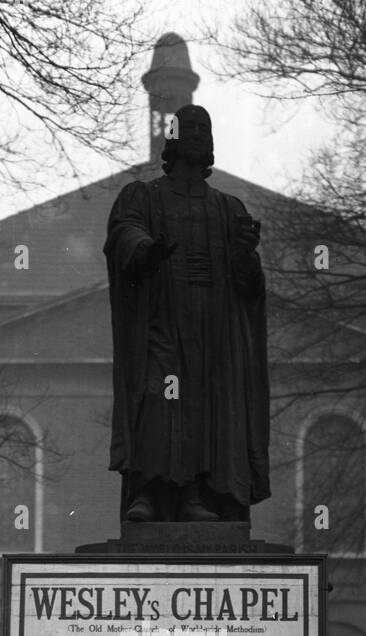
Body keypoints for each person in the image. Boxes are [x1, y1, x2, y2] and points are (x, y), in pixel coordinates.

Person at [104, 106, 271, 524]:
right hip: (162, 319)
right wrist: (146, 249)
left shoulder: (228, 208)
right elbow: (125, 233)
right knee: (160, 398)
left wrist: (245, 254)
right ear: (173, 139)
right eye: (189, 128)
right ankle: (147, 491)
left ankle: (194, 494)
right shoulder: (144, 196)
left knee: (204, 407)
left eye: (204, 129)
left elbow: (249, 287)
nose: (197, 134)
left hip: (213, 328)